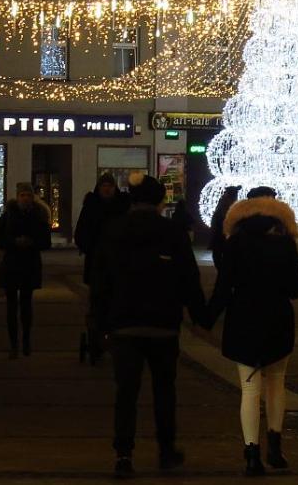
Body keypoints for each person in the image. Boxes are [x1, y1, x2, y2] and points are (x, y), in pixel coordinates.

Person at [92, 175, 206, 480]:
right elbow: (189, 278)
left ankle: (123, 453)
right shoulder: (172, 232)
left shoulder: (113, 230)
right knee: (164, 390)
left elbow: (100, 283)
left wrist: (99, 324)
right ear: (160, 201)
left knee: (126, 392)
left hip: (124, 324)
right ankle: (166, 450)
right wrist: (201, 316)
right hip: (163, 324)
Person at [208, 186, 298, 476]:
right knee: (277, 382)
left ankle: (251, 453)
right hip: (277, 318)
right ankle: (275, 447)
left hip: (244, 319)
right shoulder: (285, 242)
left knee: (249, 388)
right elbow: (296, 289)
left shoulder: (235, 242)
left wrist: (205, 316)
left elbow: (223, 288)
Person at [76, 173, 130, 361]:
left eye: (110, 185)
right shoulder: (91, 206)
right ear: (98, 188)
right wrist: (92, 248)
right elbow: (81, 233)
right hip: (97, 264)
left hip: (120, 264)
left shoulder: (123, 206)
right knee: (97, 302)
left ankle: (116, 337)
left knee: (118, 301)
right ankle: (97, 337)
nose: (107, 189)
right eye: (103, 186)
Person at [0, 182, 51, 358]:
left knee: (26, 305)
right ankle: (13, 344)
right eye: (22, 195)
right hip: (11, 263)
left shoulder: (38, 215)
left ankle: (26, 341)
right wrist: (13, 242)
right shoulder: (8, 215)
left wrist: (31, 242)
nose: (25, 198)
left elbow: (46, 242)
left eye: (28, 195)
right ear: (17, 197)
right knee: (11, 306)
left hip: (29, 264)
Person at [209, 185, 242, 271]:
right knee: (222, 254)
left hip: (223, 234)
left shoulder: (225, 203)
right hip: (224, 234)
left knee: (220, 255)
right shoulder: (229, 204)